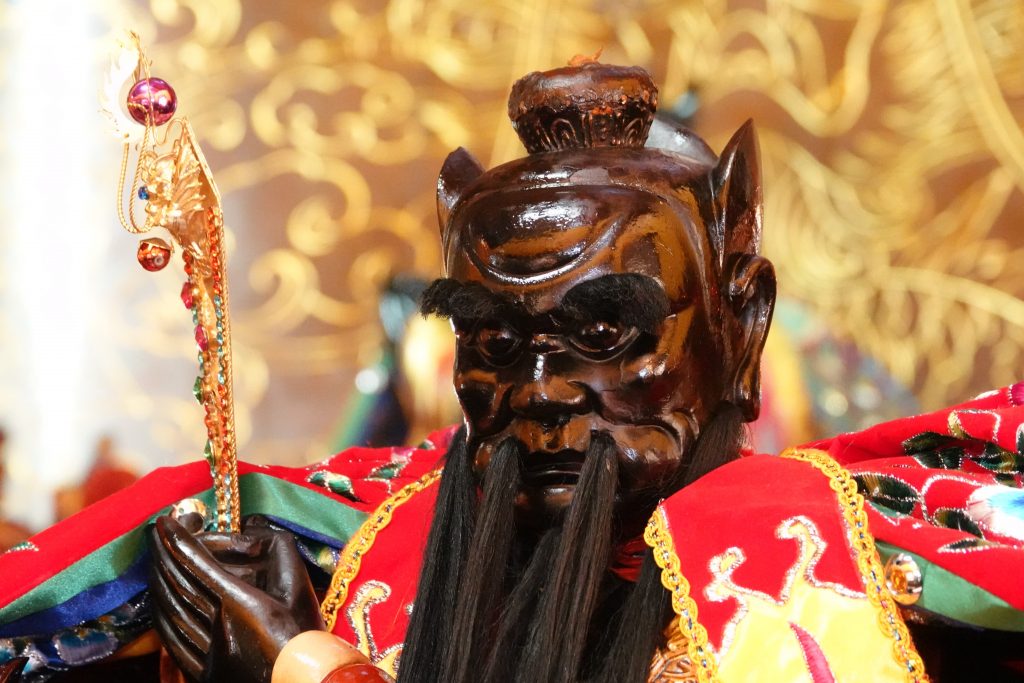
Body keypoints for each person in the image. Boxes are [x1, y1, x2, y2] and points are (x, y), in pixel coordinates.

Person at [2, 61, 1024, 683]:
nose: (537, 390)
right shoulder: (354, 548)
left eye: (604, 334)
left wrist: (306, 665)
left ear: (742, 328)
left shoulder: (878, 578)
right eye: (492, 343)